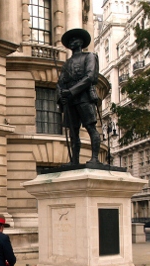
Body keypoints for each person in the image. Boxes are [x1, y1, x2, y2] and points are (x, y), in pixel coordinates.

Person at [57, 28, 101, 164]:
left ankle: (94, 158)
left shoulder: (89, 57)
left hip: (84, 97)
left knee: (90, 128)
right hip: (70, 100)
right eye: (70, 40)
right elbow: (60, 82)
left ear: (81, 42)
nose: (72, 42)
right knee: (73, 132)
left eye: (75, 39)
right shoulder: (66, 64)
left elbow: (90, 77)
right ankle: (74, 160)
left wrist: (71, 91)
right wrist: (61, 95)